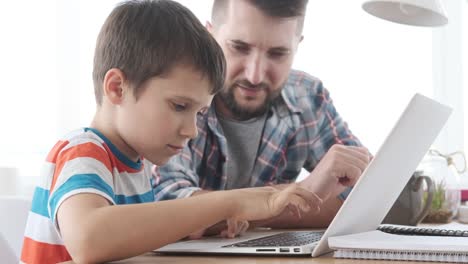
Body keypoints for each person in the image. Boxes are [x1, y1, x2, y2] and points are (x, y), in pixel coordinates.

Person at [19, 1, 323, 263]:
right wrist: (231, 201)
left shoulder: (137, 164)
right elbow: (88, 239)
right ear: (117, 88)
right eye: (179, 106)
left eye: (200, 113)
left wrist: (211, 221)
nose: (192, 130)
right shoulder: (83, 152)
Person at [154, 0, 371, 238]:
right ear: (210, 35)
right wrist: (298, 194)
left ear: (297, 46)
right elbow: (169, 205)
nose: (255, 75)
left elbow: (366, 198)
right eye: (239, 47)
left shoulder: (308, 96)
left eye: (277, 53)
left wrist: (242, 211)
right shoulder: (175, 95)